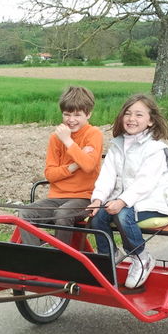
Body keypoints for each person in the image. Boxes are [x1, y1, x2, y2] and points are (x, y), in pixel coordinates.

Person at [87, 93, 168, 289]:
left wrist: (121, 201)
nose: (131, 119)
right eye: (128, 114)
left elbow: (145, 183)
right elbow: (107, 176)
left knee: (122, 213)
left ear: (151, 121)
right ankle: (110, 254)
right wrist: (98, 199)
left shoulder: (155, 149)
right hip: (127, 201)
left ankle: (141, 257)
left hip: (154, 200)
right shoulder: (117, 145)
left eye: (139, 115)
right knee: (96, 217)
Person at [19, 85, 102, 245]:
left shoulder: (93, 134)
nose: (71, 120)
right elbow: (50, 175)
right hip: (57, 196)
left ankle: (60, 258)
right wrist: (74, 165)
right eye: (67, 114)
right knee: (25, 212)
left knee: (62, 214)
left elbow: (89, 166)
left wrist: (68, 141)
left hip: (84, 198)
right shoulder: (55, 138)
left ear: (88, 114)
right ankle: (33, 254)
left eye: (77, 115)